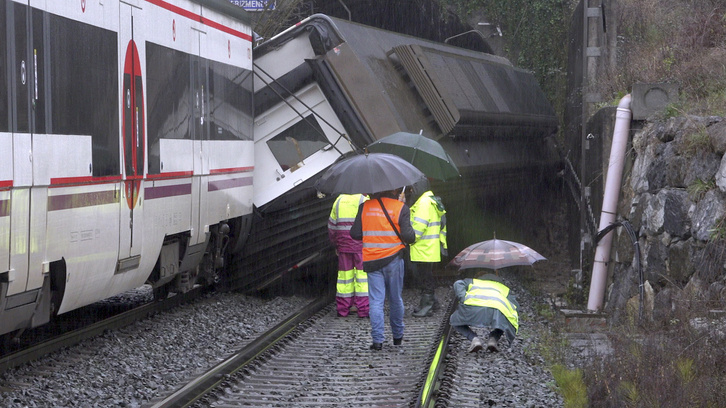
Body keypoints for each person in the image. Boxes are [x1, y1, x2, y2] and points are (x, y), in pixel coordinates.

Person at [350, 188, 415, 351]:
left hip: (372, 260)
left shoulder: (364, 207)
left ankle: (378, 341)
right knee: (395, 299)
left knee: (376, 301)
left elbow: (355, 234)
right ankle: (397, 337)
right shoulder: (400, 208)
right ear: (392, 190)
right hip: (393, 259)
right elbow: (409, 237)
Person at [406, 179, 447, 317]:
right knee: (426, 276)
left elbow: (419, 226)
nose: (411, 191)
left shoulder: (423, 203)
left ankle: (427, 306)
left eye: (413, 188)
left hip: (423, 248)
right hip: (429, 248)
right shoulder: (430, 200)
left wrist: (409, 237)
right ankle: (431, 303)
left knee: (424, 277)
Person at [449, 273, 519, 353]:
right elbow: (515, 305)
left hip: (472, 308)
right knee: (504, 321)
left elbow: (458, 283)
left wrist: (463, 298)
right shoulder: (503, 288)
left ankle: (474, 339)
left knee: (454, 321)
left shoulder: (473, 282)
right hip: (495, 310)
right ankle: (493, 339)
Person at [328, 193, 369, 318]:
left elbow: (331, 226)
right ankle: (363, 310)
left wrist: (335, 244)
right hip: (361, 246)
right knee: (362, 278)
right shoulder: (365, 200)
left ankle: (343, 309)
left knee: (345, 279)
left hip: (344, 246)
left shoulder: (338, 201)